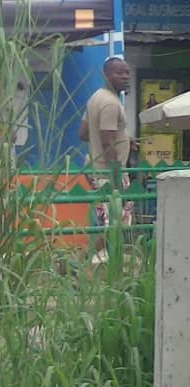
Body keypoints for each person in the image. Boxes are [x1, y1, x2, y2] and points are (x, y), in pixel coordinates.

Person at [77, 56, 133, 264]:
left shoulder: (96, 98)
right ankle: (78, 263)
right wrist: (116, 177)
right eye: (119, 72)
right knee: (118, 224)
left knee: (112, 224)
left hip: (94, 167)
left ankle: (93, 264)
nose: (125, 76)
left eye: (127, 72)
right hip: (108, 172)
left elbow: (83, 133)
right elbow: (108, 141)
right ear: (106, 75)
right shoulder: (110, 103)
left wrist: (125, 140)